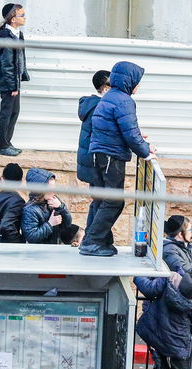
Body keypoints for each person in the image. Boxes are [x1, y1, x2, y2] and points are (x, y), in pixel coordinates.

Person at [79, 61, 155, 257]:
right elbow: (130, 134)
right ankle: (92, 242)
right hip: (111, 157)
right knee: (114, 201)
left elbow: (119, 129)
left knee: (102, 199)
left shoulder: (109, 97)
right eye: (138, 81)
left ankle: (99, 241)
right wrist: (146, 152)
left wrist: (141, 142)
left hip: (98, 154)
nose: (139, 85)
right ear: (129, 81)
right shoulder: (124, 101)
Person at [0, 4, 28, 157]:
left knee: (14, 112)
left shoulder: (17, 34)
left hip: (14, 80)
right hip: (8, 83)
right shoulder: (6, 36)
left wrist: (21, 76)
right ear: (13, 19)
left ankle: (6, 142)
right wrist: (13, 86)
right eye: (22, 15)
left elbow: (19, 58)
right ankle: (1, 145)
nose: (24, 18)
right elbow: (7, 64)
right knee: (6, 113)